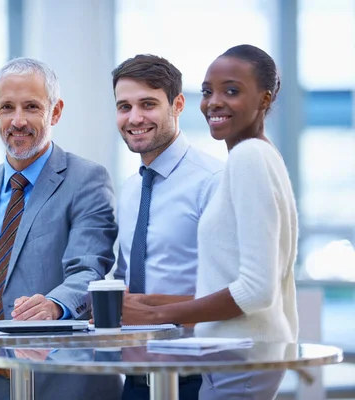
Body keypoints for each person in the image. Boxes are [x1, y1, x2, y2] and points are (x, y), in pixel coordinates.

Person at [123, 44, 299, 399]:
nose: (214, 102)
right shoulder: (257, 155)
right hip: (234, 354)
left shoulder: (248, 157)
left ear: (264, 99)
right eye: (208, 92)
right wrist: (147, 305)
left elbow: (256, 289)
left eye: (231, 91)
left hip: (239, 355)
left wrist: (158, 318)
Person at [0, 57, 122, 400]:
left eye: (31, 107)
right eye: (7, 107)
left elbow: (91, 271)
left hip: (59, 381)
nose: (18, 120)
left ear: (55, 112)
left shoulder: (87, 179)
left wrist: (55, 304)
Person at [111, 54, 224, 400]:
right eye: (124, 106)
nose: (134, 118)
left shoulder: (214, 182)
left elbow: (236, 295)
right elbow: (125, 279)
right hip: (135, 377)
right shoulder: (130, 189)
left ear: (177, 105)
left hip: (198, 378)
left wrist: (149, 311)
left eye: (148, 104)